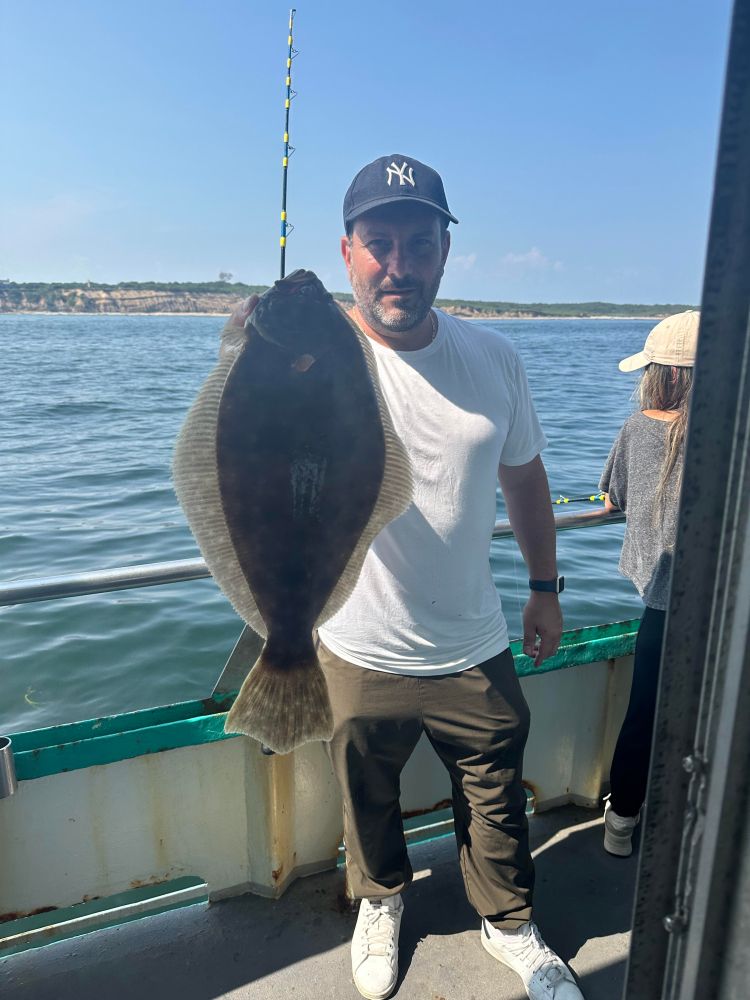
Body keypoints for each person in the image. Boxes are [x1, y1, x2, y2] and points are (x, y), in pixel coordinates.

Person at [599, 310, 699, 857]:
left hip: (664, 602)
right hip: (722, 608)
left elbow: (614, 497)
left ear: (660, 374)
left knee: (644, 712)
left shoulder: (640, 426)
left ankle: (621, 826)